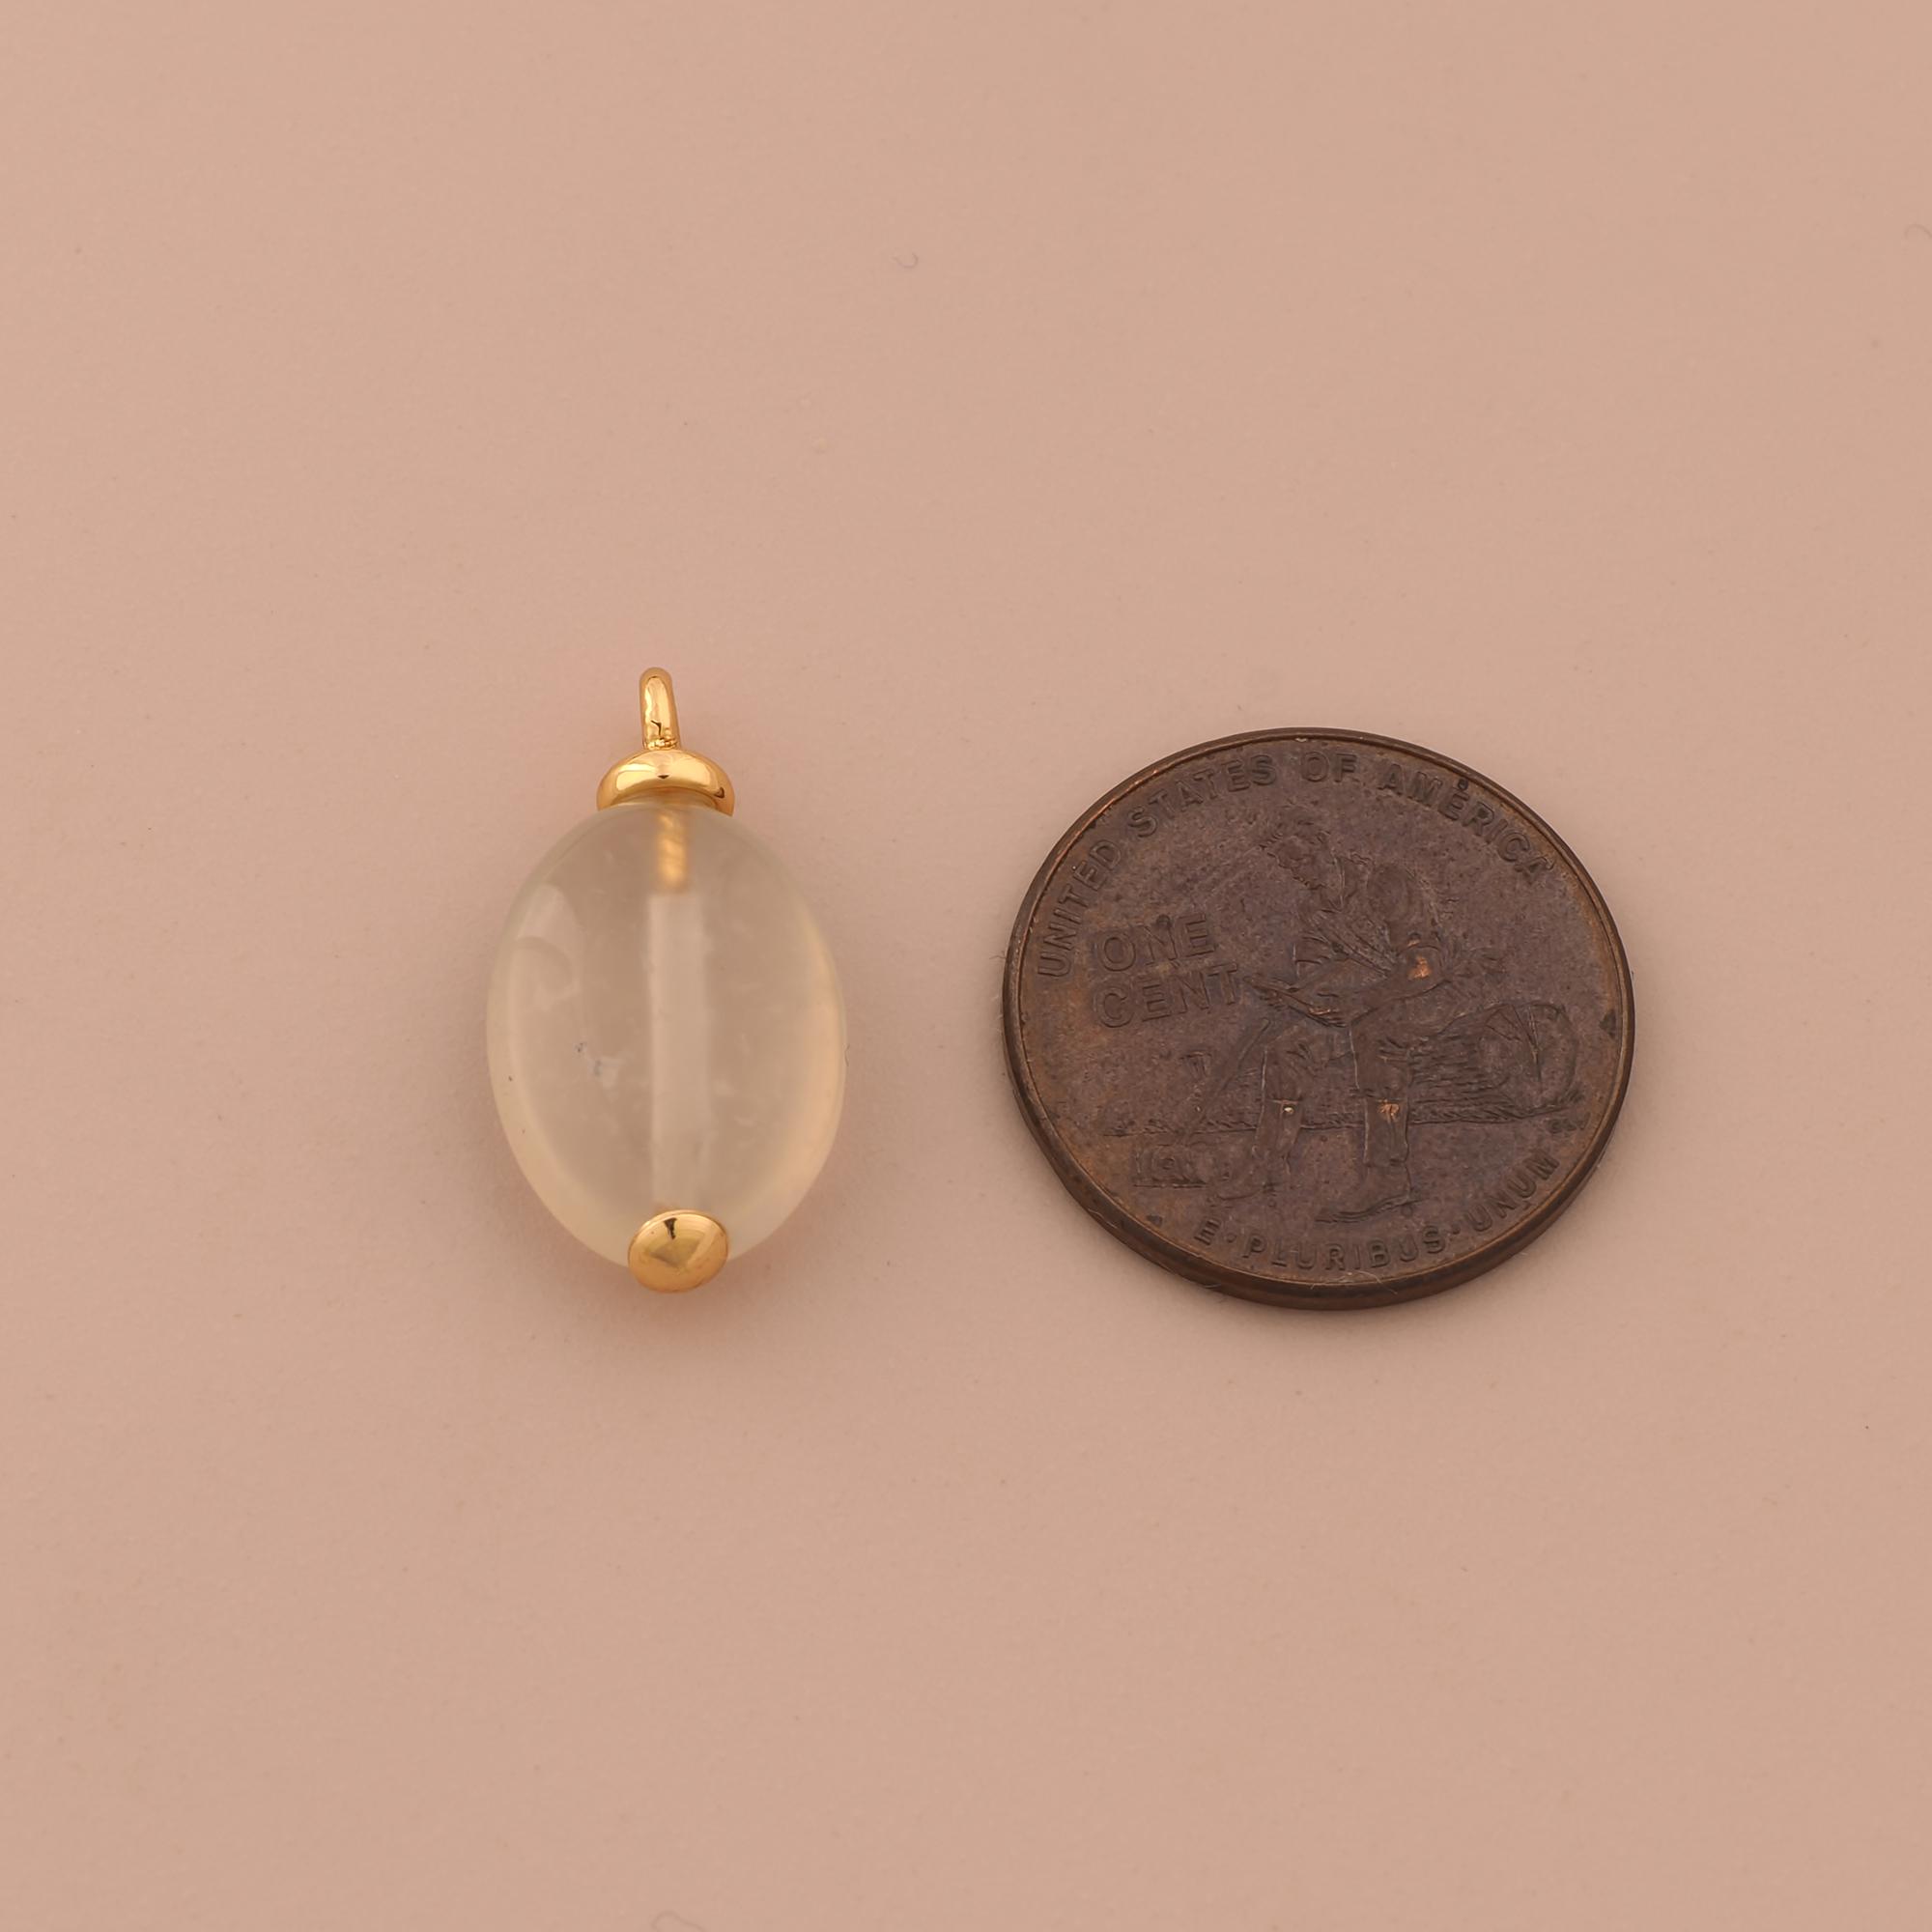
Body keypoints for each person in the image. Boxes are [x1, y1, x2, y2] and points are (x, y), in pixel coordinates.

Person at [1250, 819, 1469, 1219]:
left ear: (1321, 842)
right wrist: (1297, 997)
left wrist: (1361, 1001)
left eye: (1300, 858)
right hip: (1368, 999)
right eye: (1288, 865)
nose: (1297, 870)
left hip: (1432, 994)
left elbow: (1425, 967)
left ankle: (1389, 1176)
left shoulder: (1384, 883)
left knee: (1376, 1035)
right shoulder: (1314, 909)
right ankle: (1268, 1163)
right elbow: (1321, 971)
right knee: (1287, 1049)